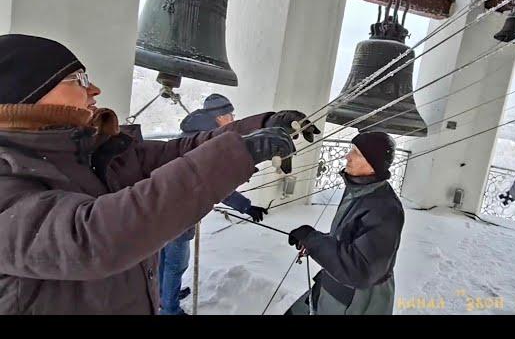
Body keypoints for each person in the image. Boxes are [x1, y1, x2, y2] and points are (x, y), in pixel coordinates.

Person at [0, 34, 317, 315]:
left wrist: (257, 128)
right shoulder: (7, 174)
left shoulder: (93, 150)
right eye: (78, 79)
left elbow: (177, 153)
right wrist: (238, 154)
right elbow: (93, 238)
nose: (94, 89)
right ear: (29, 91)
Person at [158, 94, 269, 315]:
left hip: (164, 206)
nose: (233, 119)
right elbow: (214, 182)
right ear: (220, 117)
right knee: (176, 263)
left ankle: (164, 294)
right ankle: (169, 309)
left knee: (163, 256)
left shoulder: (192, 135)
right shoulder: (208, 142)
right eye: (231, 115)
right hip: (179, 212)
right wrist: (245, 206)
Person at [285, 131, 404, 315]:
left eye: (356, 153)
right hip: (335, 288)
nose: (347, 156)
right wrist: (313, 241)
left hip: (357, 302)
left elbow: (360, 269)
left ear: (372, 164)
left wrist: (314, 240)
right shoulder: (360, 190)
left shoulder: (385, 209)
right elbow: (349, 241)